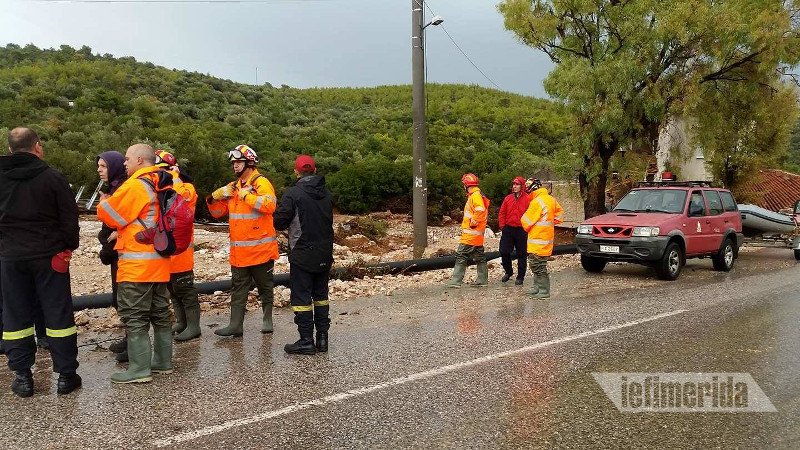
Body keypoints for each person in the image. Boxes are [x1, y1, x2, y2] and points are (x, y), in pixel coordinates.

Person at [0, 127, 81, 397]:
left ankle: (23, 376)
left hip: (11, 258)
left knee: (15, 316)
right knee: (58, 314)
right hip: (49, 257)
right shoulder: (53, 177)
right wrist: (67, 248)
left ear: (10, 149)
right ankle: (66, 376)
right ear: (37, 146)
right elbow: (69, 219)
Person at [97, 144, 172, 383]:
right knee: (160, 314)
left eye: (128, 159)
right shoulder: (164, 182)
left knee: (135, 316)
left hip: (137, 265)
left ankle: (139, 369)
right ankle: (163, 362)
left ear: (140, 160)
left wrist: (104, 202)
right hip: (160, 263)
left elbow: (111, 216)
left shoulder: (137, 185)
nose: (125, 163)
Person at [206, 145, 278, 337]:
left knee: (265, 286)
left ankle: (267, 320)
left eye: (238, 162)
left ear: (249, 163)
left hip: (260, 250)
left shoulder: (261, 183)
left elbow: (270, 205)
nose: (235, 166)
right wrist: (215, 197)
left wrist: (247, 195)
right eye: (234, 163)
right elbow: (217, 213)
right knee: (238, 289)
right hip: (239, 252)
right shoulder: (234, 187)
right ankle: (235, 325)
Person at [274, 155, 334, 355]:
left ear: (296, 172)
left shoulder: (293, 193)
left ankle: (306, 340)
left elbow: (280, 222)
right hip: (324, 253)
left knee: (301, 299)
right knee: (321, 296)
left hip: (301, 253)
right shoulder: (326, 193)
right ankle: (323, 339)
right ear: (315, 170)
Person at [155, 150, 201, 342]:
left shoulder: (185, 188)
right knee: (173, 290)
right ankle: (182, 322)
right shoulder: (161, 189)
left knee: (185, 289)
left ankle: (194, 326)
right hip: (167, 250)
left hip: (181, 251)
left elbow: (181, 199)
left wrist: (174, 176)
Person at [96, 150, 129, 361]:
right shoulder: (114, 188)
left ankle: (133, 344)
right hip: (116, 252)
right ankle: (129, 340)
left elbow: (122, 221)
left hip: (125, 252)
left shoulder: (123, 189)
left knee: (125, 297)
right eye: (98, 166)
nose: (99, 170)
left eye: (103, 166)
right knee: (120, 297)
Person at [520, 178, 564, 299]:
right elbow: (560, 215)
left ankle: (543, 291)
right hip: (546, 239)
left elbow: (525, 222)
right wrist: (549, 222)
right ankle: (537, 288)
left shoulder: (536, 202)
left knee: (537, 265)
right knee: (537, 264)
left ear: (533, 188)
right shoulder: (551, 200)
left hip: (537, 240)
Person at [445, 173, 490, 288]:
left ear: (466, 184)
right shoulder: (476, 194)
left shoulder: (475, 196)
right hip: (477, 234)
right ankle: (482, 280)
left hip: (471, 234)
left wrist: (473, 222)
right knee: (479, 257)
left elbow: (480, 210)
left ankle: (456, 281)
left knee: (461, 255)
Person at [498, 176, 532, 285]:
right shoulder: (508, 198)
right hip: (508, 228)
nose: (514, 186)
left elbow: (531, 214)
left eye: (517, 184)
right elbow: (502, 212)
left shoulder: (528, 199)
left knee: (521, 254)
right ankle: (508, 272)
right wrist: (502, 226)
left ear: (522, 186)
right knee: (504, 251)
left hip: (521, 230)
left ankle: (520, 277)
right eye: (513, 184)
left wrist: (527, 228)